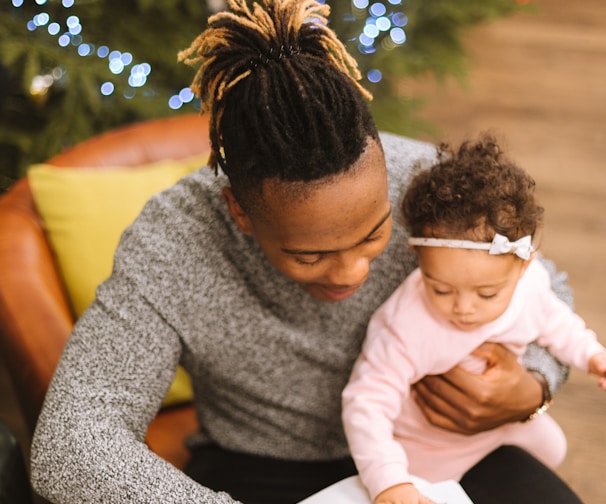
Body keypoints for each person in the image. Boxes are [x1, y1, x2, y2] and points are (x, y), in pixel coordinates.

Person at [30, 1, 579, 503]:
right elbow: (70, 444)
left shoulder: (427, 185)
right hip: (263, 469)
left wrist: (532, 384)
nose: (353, 271)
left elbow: (541, 282)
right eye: (309, 255)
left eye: (372, 234)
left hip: (435, 444)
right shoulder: (174, 239)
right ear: (240, 212)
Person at [342, 135, 606, 504]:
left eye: (487, 294)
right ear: (419, 261)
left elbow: (557, 323)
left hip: (500, 422)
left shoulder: (530, 285)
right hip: (427, 444)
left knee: (553, 447)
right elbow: (366, 402)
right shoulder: (403, 323)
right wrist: (389, 480)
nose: (464, 308)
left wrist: (594, 356)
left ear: (525, 265)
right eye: (441, 289)